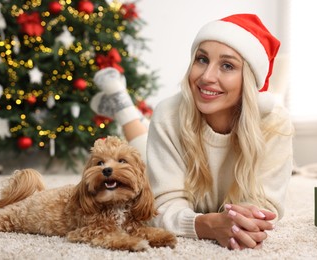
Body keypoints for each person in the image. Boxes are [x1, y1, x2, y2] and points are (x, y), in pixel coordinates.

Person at [90, 13, 294, 250]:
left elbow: (266, 204)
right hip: (166, 130)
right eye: (202, 59)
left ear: (248, 79)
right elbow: (162, 205)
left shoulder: (274, 123)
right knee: (140, 157)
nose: (206, 77)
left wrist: (245, 221)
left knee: (144, 147)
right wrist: (206, 224)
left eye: (227, 65)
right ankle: (122, 105)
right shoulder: (168, 114)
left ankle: (120, 103)